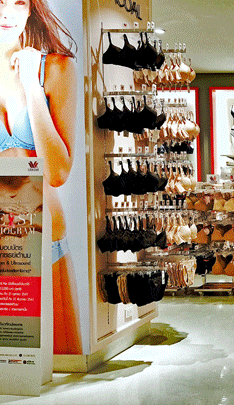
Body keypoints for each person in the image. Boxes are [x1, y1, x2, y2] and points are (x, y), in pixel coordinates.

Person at [0, 0, 81, 354]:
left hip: (42, 237)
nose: (7, 12)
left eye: (18, 1)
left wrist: (32, 86)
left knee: (59, 367)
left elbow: (58, 171)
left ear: (32, 8)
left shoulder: (56, 69)